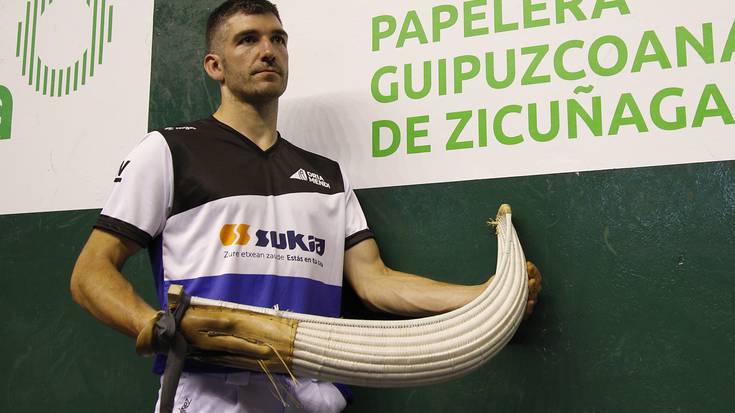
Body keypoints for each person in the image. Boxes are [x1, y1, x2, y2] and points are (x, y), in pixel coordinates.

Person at [70, 1, 541, 412]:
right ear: (215, 66)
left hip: (311, 395)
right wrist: (155, 326)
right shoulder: (171, 151)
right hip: (213, 394)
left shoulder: (328, 176)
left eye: (277, 39)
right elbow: (90, 273)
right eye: (248, 40)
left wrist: (487, 295)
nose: (267, 50)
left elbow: (374, 282)